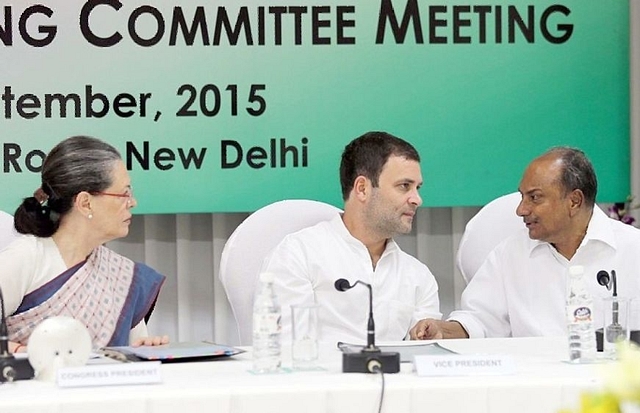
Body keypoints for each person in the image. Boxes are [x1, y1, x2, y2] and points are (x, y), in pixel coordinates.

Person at [412, 146, 640, 339]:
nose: (521, 210)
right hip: (534, 382)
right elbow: (478, 320)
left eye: (534, 197)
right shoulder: (509, 254)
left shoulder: (633, 249)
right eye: (522, 197)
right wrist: (442, 330)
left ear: (574, 201)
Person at [260, 131, 441, 344]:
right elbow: (287, 351)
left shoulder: (419, 276)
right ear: (362, 189)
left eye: (417, 188)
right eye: (404, 186)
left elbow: (423, 357)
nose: (417, 199)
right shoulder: (298, 255)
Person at [0, 136, 169, 353]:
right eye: (124, 193)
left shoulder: (123, 276)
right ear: (85, 203)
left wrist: (145, 350)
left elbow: (130, 349)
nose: (132, 202)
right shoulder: (25, 258)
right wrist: (22, 353)